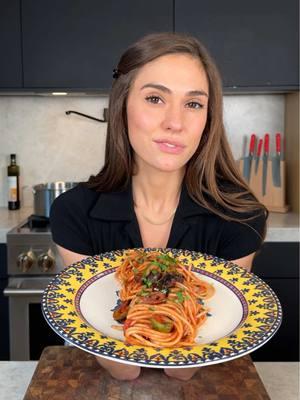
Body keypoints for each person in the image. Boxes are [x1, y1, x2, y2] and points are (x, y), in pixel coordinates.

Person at [50, 32, 267, 381]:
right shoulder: (73, 213)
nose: (175, 122)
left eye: (193, 104)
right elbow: (124, 369)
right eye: (155, 98)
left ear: (208, 119)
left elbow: (182, 371)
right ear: (122, 105)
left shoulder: (241, 219)